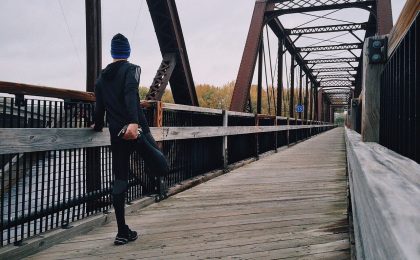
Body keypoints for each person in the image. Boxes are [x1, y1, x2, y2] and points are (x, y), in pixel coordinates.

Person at [92, 33, 168, 246]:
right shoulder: (132, 69)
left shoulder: (101, 78)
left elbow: (99, 109)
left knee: (120, 179)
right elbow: (129, 93)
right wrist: (134, 124)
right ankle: (156, 190)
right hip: (136, 130)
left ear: (112, 53)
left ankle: (122, 231)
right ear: (127, 52)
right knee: (161, 166)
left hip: (117, 134)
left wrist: (96, 126)